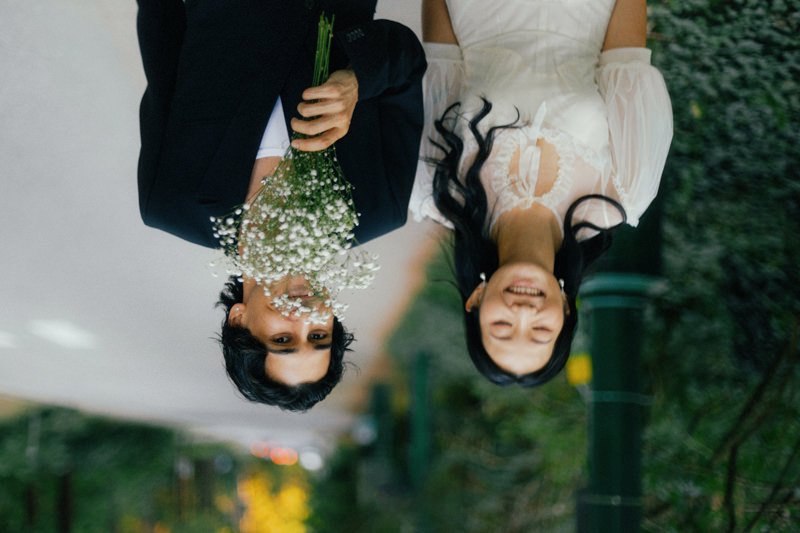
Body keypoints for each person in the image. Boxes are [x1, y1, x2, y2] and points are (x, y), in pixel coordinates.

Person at [136, 0, 426, 410]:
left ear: (238, 320)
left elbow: (162, 45)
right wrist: (358, 80)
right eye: (319, 336)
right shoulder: (380, 206)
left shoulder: (169, 202)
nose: (303, 318)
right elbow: (408, 58)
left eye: (283, 339)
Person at [410, 0, 673, 386]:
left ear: (475, 302)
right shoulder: (622, 192)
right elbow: (626, 53)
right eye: (540, 332)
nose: (523, 312)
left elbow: (440, 57)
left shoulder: (438, 188)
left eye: (501, 326)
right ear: (566, 310)